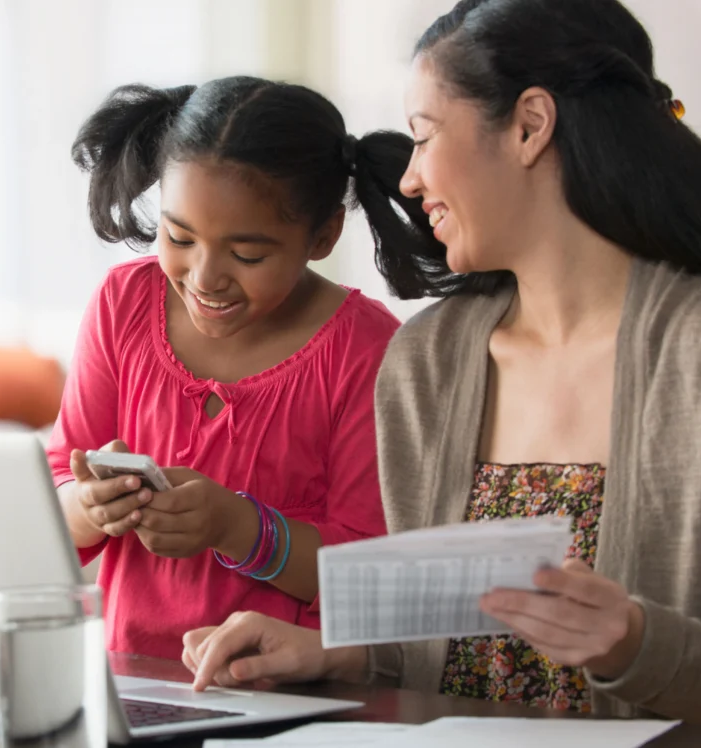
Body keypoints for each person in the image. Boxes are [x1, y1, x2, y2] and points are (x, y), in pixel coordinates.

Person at [181, 0, 701, 724]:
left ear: (529, 125)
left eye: (424, 137)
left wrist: (634, 644)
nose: (407, 180)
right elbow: (453, 648)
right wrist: (330, 651)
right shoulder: (428, 362)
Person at [45, 76, 430, 660]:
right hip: (129, 680)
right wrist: (90, 506)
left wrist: (238, 527)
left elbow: (370, 573)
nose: (204, 278)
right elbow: (55, 486)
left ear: (323, 235)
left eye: (248, 255)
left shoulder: (366, 350)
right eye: (178, 237)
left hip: (289, 692)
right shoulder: (123, 304)